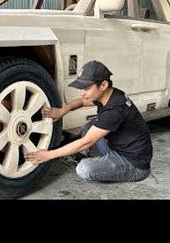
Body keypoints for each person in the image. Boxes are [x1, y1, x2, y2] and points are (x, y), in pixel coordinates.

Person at [25, 60, 153, 182]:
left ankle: (94, 162)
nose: (82, 93)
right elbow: (81, 102)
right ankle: (82, 156)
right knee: (91, 124)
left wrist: (48, 155)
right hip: (117, 147)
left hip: (134, 164)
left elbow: (86, 142)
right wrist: (63, 110)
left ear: (103, 85)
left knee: (84, 169)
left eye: (86, 88)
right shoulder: (109, 94)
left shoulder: (115, 109)